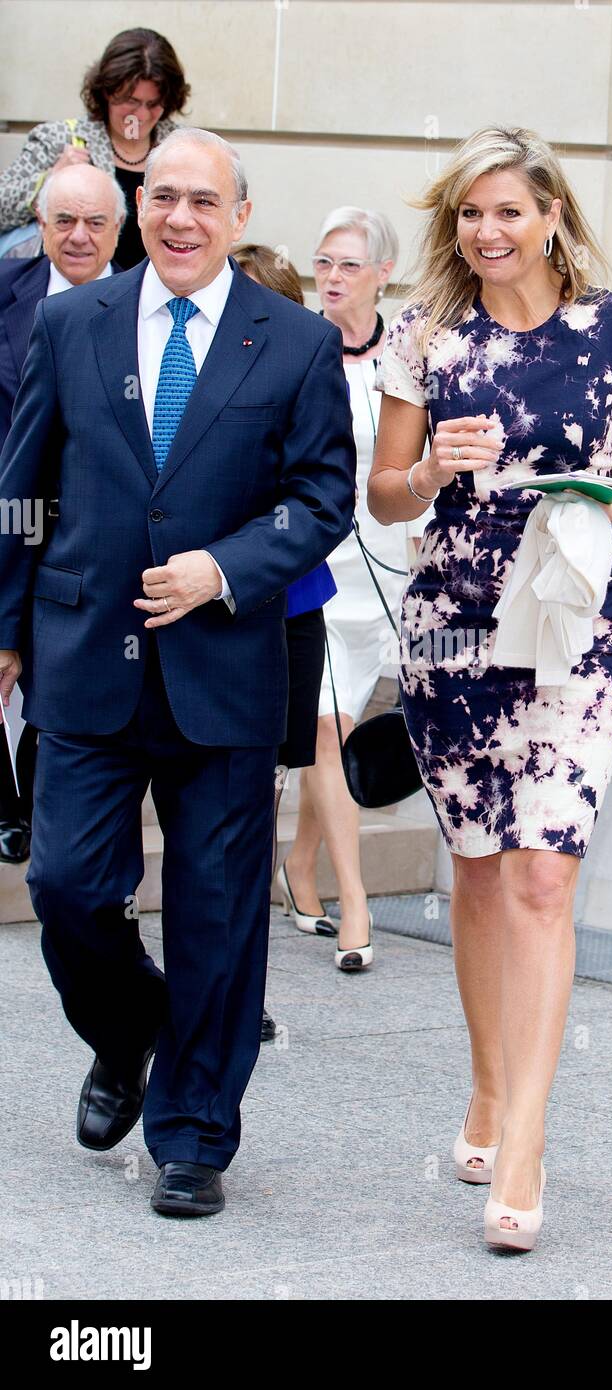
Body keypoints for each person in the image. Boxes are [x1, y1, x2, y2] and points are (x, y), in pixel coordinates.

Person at [0, 127, 356, 1219]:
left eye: (204, 200)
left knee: (216, 914)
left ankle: (195, 1131)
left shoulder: (293, 343)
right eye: (161, 196)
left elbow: (321, 500)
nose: (181, 217)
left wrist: (222, 566)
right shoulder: (72, 322)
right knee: (64, 887)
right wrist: (6, 630)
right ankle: (128, 1032)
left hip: (224, 673)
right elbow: (23, 491)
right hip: (82, 663)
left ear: (239, 217)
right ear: (134, 203)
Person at [368, 125, 612, 1251]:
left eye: (506, 210)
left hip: (576, 624)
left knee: (544, 876)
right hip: (454, 633)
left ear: (550, 215)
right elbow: (386, 495)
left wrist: (604, 490)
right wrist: (428, 470)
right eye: (467, 213)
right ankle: (489, 1089)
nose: (486, 232)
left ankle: (527, 1140)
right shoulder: (424, 337)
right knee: (483, 877)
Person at [279, 207, 431, 973]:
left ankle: (299, 867)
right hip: (317, 574)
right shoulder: (296, 349)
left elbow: (417, 471)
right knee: (326, 734)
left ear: (382, 275)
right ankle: (356, 903)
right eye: (323, 263)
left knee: (328, 742)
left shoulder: (404, 358)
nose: (332, 279)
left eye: (348, 265)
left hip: (390, 573)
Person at [0, 163, 127, 862]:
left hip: (93, 543)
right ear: (39, 227)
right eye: (64, 222)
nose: (78, 237)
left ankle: (56, 826)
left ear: (118, 229)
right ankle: (10, 804)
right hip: (9, 519)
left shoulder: (149, 309)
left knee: (65, 693)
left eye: (95, 223)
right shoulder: (5, 295)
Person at [232, 242, 338, 1038]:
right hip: (198, 615)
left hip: (291, 612)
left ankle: (244, 984)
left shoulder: (302, 373)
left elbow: (321, 500)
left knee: (262, 796)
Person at [0, 27, 187, 268]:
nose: (140, 114)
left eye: (153, 104)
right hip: (76, 295)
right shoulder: (60, 139)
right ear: (106, 92)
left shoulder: (183, 148)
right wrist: (48, 181)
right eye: (131, 101)